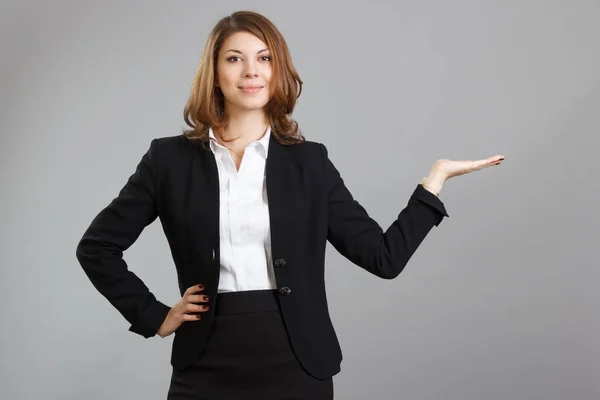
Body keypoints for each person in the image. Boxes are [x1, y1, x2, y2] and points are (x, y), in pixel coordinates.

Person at [75, 10, 504, 400]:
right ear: (214, 71)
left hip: (297, 364)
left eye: (264, 58)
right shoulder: (168, 160)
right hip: (203, 364)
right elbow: (96, 248)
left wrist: (434, 183)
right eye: (234, 59)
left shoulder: (309, 161)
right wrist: (153, 316)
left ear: (278, 70)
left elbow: (382, 257)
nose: (251, 71)